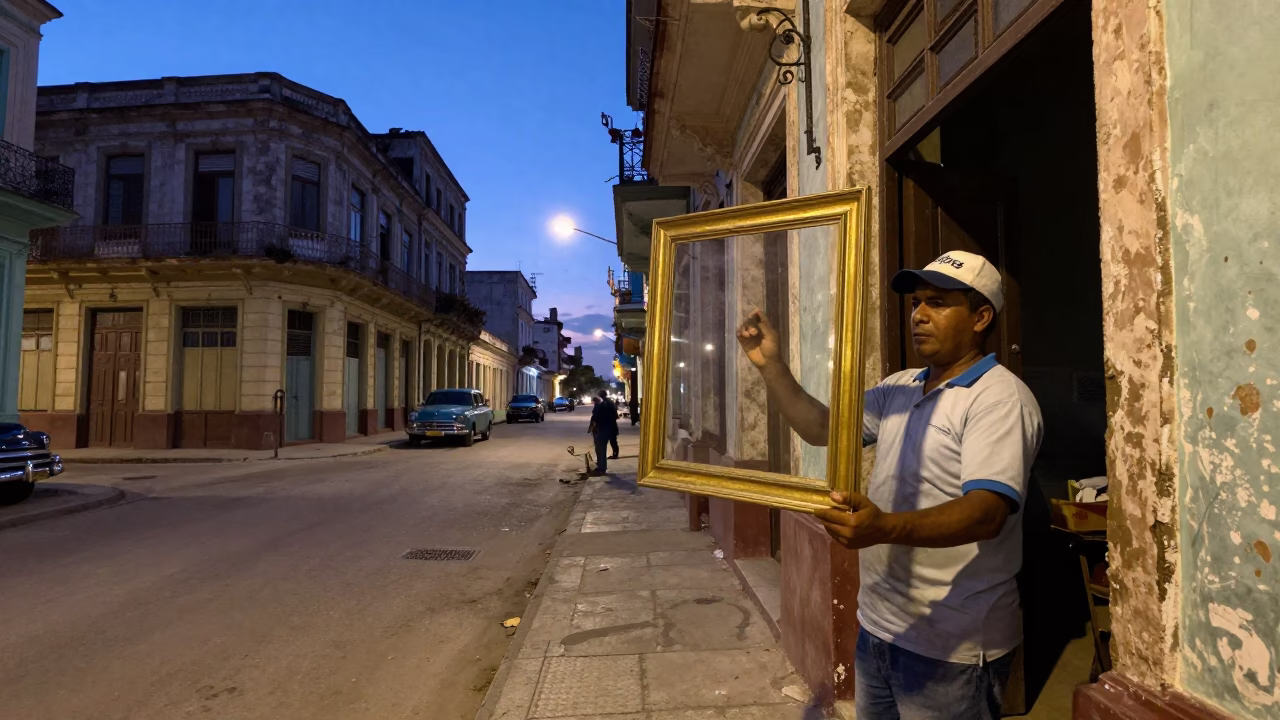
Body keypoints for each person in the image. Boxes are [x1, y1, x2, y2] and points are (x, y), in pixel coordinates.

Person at [735, 250, 1042, 719]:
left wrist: (884, 528)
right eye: (917, 302)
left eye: (938, 302)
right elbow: (823, 429)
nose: (919, 314)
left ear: (981, 317)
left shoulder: (999, 399)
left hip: (951, 646)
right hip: (879, 627)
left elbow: (986, 512)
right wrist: (770, 366)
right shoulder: (900, 387)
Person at [588, 390, 619, 475]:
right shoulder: (611, 403)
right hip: (611, 427)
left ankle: (601, 468)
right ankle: (602, 466)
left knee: (600, 448)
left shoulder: (600, 403)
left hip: (601, 428)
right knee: (603, 447)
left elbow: (595, 416)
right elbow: (616, 415)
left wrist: (591, 428)